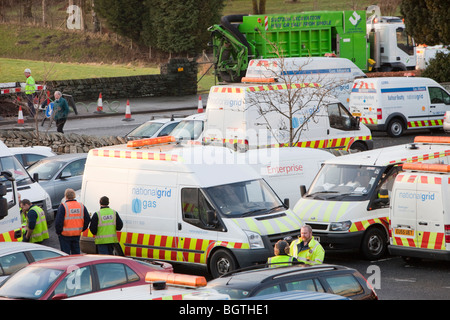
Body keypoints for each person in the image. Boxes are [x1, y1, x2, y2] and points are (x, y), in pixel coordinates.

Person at [55, 188, 90, 254]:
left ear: (66, 196)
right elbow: (87, 219)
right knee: (76, 254)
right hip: (77, 234)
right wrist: (82, 229)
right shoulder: (81, 206)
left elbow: (58, 221)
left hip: (65, 235)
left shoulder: (63, 206)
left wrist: (59, 232)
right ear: (74, 195)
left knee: (65, 255)